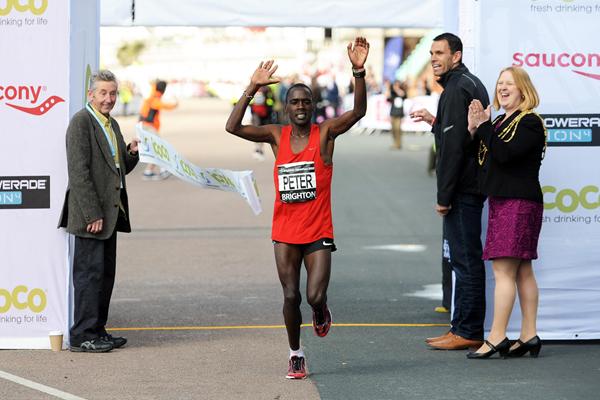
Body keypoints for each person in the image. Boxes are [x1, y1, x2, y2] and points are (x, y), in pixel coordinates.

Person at [225, 37, 369, 379]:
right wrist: (252, 86)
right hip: (286, 231)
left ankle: (321, 310)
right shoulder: (277, 135)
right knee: (290, 295)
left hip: (318, 230)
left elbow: (359, 112)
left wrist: (358, 70)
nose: (301, 106)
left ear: (314, 105)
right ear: (287, 107)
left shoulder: (326, 134)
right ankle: (295, 354)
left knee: (314, 294)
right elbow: (232, 127)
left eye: (306, 101)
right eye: (295, 102)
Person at [411, 32, 490, 350]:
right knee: (463, 259)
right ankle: (460, 326)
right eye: (431, 53)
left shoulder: (457, 88)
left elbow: (455, 149)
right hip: (469, 185)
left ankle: (468, 330)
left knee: (465, 260)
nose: (433, 58)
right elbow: (459, 136)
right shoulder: (464, 84)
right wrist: (435, 121)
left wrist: (443, 197)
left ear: (456, 56)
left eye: (440, 53)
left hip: (463, 189)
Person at [465, 66, 546, 359]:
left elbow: (506, 155)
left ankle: (497, 336)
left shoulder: (530, 123)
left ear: (523, 89)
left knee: (503, 271)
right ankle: (529, 335)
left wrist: (484, 126)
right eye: (500, 83)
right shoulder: (500, 122)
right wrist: (475, 129)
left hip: (518, 202)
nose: (502, 87)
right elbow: (488, 159)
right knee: (522, 269)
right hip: (504, 201)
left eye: (509, 83)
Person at [58, 70, 139, 352]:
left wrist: (131, 153)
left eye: (113, 93)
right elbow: (78, 173)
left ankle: (98, 330)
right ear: (90, 95)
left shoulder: (111, 124)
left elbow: (118, 169)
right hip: (91, 216)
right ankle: (82, 335)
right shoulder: (81, 122)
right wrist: (92, 213)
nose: (109, 99)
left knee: (104, 275)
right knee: (88, 275)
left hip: (111, 213)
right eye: (103, 93)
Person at [139, 79, 178, 179]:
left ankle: (148, 171)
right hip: (148, 126)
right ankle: (163, 169)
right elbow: (164, 106)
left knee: (154, 149)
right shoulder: (155, 99)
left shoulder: (152, 95)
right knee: (160, 147)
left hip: (145, 126)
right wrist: (175, 104)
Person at [386, 80, 407, 149]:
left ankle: (398, 144)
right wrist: (388, 88)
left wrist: (397, 89)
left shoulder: (401, 91)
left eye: (397, 85)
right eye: (395, 85)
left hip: (399, 113)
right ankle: (395, 143)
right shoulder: (392, 93)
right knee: (393, 129)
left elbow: (403, 95)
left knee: (397, 129)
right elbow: (388, 99)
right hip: (393, 112)